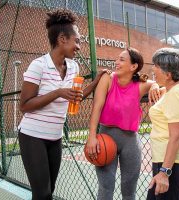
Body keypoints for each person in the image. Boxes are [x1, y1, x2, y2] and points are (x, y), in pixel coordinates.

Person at [18, 9, 108, 200]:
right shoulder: (39, 65)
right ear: (62, 39)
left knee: (50, 191)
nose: (79, 46)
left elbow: (76, 96)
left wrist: (95, 81)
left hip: (55, 137)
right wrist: (57, 92)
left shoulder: (73, 67)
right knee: (41, 194)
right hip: (32, 136)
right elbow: (24, 105)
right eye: (77, 41)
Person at [86, 47, 162, 200]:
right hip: (105, 137)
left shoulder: (140, 85)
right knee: (106, 187)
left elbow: (155, 83)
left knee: (129, 190)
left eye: (122, 59)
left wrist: (154, 86)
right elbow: (97, 107)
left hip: (130, 141)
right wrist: (91, 137)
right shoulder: (107, 78)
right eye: (117, 59)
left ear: (133, 67)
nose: (116, 62)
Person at [147, 48, 179, 200]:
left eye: (156, 66)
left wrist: (164, 172)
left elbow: (176, 136)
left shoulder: (176, 95)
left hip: (174, 163)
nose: (153, 68)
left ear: (168, 74)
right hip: (171, 161)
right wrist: (156, 85)